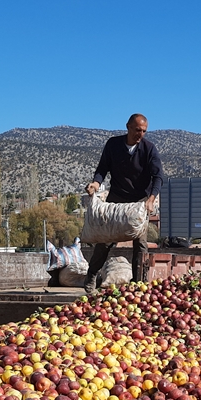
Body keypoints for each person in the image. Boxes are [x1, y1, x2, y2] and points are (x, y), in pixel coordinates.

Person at [83, 113, 165, 294]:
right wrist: (95, 184)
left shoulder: (149, 149)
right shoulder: (113, 145)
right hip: (117, 199)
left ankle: (138, 285)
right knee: (105, 240)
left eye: (144, 131)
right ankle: (90, 279)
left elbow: (158, 176)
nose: (140, 134)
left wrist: (151, 199)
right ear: (128, 127)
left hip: (140, 202)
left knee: (141, 242)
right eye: (137, 130)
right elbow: (102, 169)